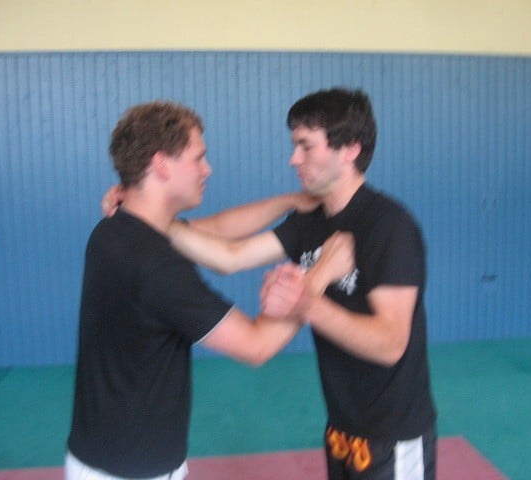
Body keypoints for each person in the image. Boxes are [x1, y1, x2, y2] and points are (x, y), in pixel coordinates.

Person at [157, 87, 438, 480]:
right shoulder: (310, 222)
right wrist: (147, 219)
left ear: (350, 149)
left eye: (306, 147)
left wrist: (305, 301)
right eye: (294, 146)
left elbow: (391, 344)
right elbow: (229, 256)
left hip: (394, 436)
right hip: (342, 428)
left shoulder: (388, 227)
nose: (294, 159)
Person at [66, 101, 354, 480]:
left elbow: (216, 229)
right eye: (198, 158)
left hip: (99, 454)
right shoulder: (156, 267)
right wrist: (321, 271)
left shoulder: (115, 229)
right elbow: (256, 345)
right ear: (161, 164)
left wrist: (290, 202)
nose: (207, 168)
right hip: (131, 472)